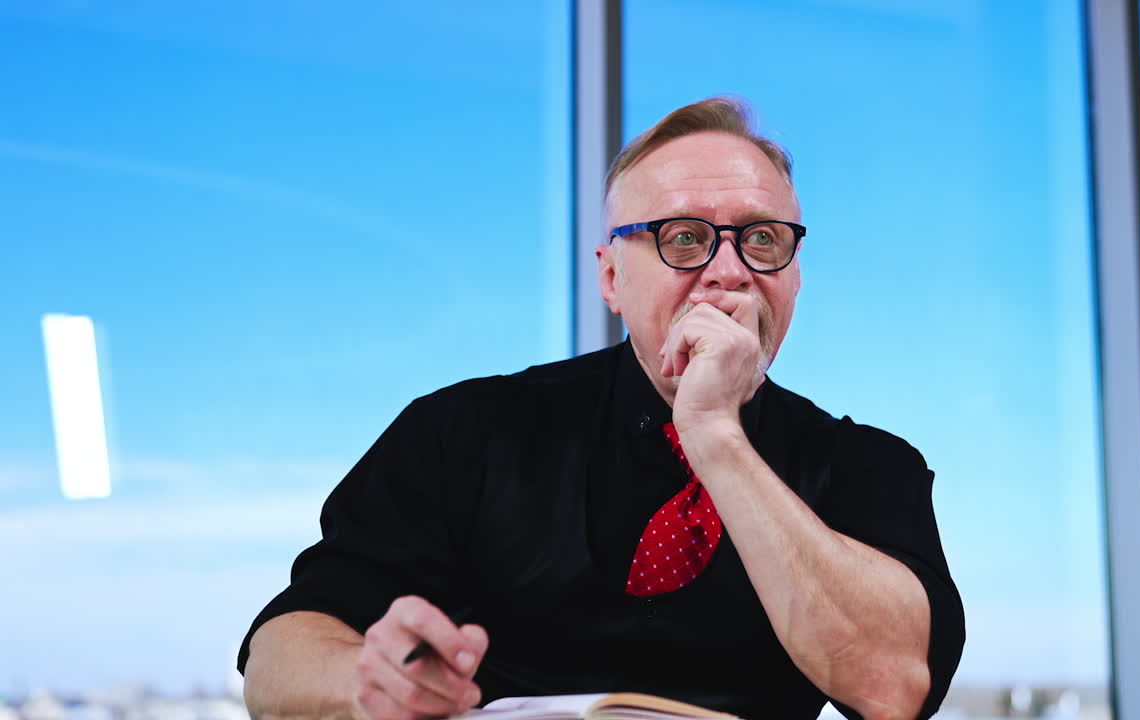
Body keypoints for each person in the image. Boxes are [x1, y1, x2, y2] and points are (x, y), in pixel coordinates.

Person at [238, 97, 964, 720]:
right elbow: (278, 658)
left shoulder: (868, 466)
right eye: (684, 238)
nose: (729, 271)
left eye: (763, 239)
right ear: (612, 277)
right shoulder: (462, 432)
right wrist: (370, 685)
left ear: (795, 277)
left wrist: (715, 435)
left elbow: (892, 685)